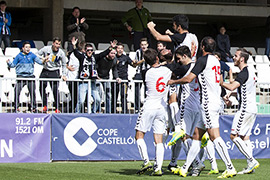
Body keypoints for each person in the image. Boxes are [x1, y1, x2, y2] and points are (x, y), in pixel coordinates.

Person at [168, 37, 237, 178]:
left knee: (214, 136)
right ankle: (186, 167)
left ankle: (230, 167)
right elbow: (221, 80)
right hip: (212, 101)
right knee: (196, 136)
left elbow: (188, 79)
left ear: (203, 47)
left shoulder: (203, 60)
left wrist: (173, 81)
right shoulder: (216, 61)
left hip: (207, 103)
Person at [220, 48, 260, 175]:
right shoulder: (251, 71)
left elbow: (232, 85)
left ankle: (251, 160)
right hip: (252, 108)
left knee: (233, 136)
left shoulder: (244, 72)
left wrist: (221, 82)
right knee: (245, 136)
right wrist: (230, 94)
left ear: (242, 59)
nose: (234, 58)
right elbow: (242, 88)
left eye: (236, 56)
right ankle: (250, 165)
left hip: (245, 109)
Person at [135, 48, 172, 176]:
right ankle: (158, 168)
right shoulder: (167, 70)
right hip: (162, 107)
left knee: (139, 135)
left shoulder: (146, 72)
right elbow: (170, 65)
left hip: (149, 105)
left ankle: (146, 161)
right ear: (157, 58)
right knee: (159, 140)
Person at [75, 40, 117, 113]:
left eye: (91, 50)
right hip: (83, 82)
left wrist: (111, 48)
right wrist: (74, 45)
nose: (90, 52)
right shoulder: (82, 57)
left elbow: (103, 53)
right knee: (81, 101)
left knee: (97, 99)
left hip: (92, 82)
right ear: (85, 50)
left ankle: (93, 113)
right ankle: (76, 114)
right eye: (88, 50)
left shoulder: (95, 57)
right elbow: (76, 53)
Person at [6, 41, 46, 113]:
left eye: (29, 47)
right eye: (26, 47)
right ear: (23, 48)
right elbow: (12, 65)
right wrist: (8, 62)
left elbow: (40, 62)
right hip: (20, 76)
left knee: (32, 93)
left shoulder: (32, 55)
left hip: (30, 76)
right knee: (17, 92)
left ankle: (33, 107)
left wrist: (44, 60)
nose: (28, 49)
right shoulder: (19, 56)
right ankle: (16, 107)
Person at [37, 37, 67, 113]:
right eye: (56, 44)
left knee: (55, 90)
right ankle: (44, 105)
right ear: (53, 43)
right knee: (41, 87)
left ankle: (57, 107)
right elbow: (36, 55)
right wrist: (43, 58)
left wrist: (63, 74)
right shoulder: (46, 49)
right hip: (45, 70)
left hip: (54, 71)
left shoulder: (61, 53)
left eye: (59, 44)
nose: (58, 46)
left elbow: (64, 64)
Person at [96, 43, 120, 113]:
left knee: (108, 95)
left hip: (106, 78)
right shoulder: (102, 58)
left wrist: (117, 77)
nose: (113, 55)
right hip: (98, 78)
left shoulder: (114, 60)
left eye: (114, 53)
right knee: (98, 96)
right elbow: (95, 67)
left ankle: (108, 111)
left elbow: (114, 70)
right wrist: (97, 76)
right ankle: (97, 110)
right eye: (112, 53)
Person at [111, 42, 133, 113]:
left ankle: (124, 111)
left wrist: (136, 62)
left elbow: (132, 63)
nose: (120, 50)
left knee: (123, 96)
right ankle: (113, 111)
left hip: (124, 80)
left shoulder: (125, 57)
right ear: (116, 49)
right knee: (114, 96)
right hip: (115, 80)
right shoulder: (113, 57)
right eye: (118, 48)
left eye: (121, 48)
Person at [132, 38, 150, 112]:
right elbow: (135, 64)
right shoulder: (138, 52)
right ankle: (137, 107)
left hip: (148, 72)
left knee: (147, 90)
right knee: (137, 90)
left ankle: (146, 107)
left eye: (145, 45)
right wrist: (142, 60)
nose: (143, 46)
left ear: (147, 45)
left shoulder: (150, 52)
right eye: (142, 45)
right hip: (139, 72)